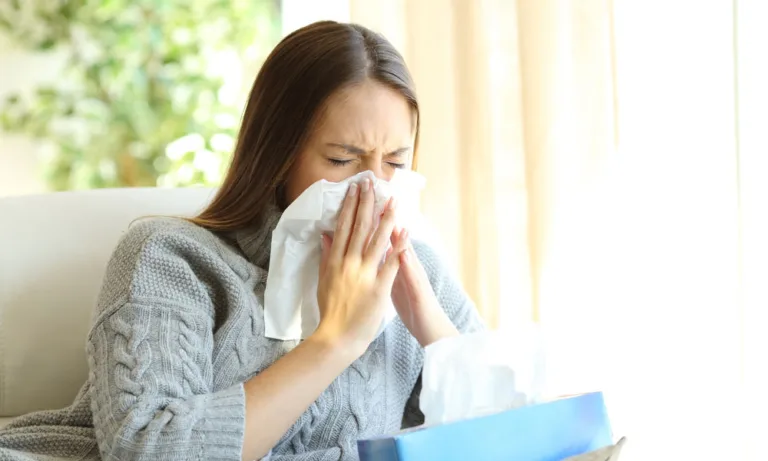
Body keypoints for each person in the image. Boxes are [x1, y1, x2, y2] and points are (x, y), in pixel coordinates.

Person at [0, 21, 483, 461]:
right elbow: (148, 450)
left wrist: (435, 335)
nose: (372, 188)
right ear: (277, 156)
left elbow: (514, 431)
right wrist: (336, 340)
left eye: (395, 162)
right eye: (341, 160)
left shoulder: (417, 270)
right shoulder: (171, 258)